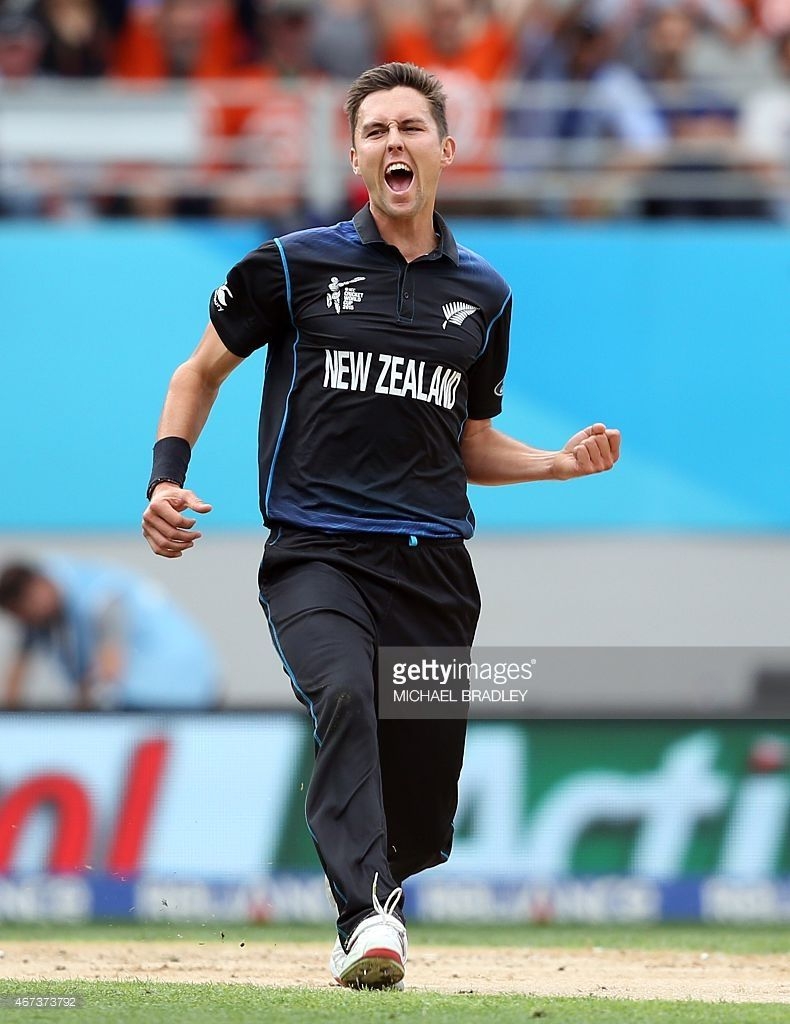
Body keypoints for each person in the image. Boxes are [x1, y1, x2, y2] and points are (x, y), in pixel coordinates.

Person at [141, 61, 620, 988]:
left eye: (411, 127)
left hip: (435, 569)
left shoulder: (485, 297)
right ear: (355, 154)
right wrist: (167, 477)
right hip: (316, 553)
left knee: (422, 811)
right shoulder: (292, 264)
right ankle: (366, 919)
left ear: (447, 148)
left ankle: (380, 892)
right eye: (376, 130)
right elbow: (197, 374)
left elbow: (469, 443)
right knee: (348, 698)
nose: (393, 142)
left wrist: (557, 464)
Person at [0, 556, 221, 710]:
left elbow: (109, 672)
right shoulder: (45, 611)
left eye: (23, 612)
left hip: (174, 690)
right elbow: (18, 672)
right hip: (156, 695)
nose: (25, 621)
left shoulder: (102, 598)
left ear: (38, 588)